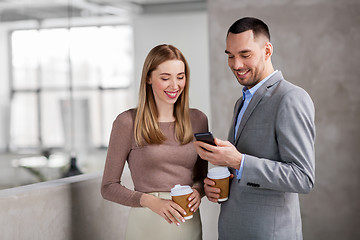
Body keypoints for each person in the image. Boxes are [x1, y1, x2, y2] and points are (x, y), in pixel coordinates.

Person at [193, 17, 315, 239]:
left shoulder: (291, 98)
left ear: (267, 50)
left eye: (245, 55)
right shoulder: (241, 102)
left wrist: (238, 161)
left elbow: (302, 177)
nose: (236, 64)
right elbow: (244, 173)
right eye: (230, 56)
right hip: (233, 230)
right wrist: (218, 183)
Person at [101, 44, 208, 240]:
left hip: (187, 223)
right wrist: (151, 201)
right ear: (148, 78)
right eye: (165, 78)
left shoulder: (198, 120)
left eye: (180, 77)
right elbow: (108, 187)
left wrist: (198, 191)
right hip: (147, 223)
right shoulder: (127, 122)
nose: (174, 85)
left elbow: (202, 176)